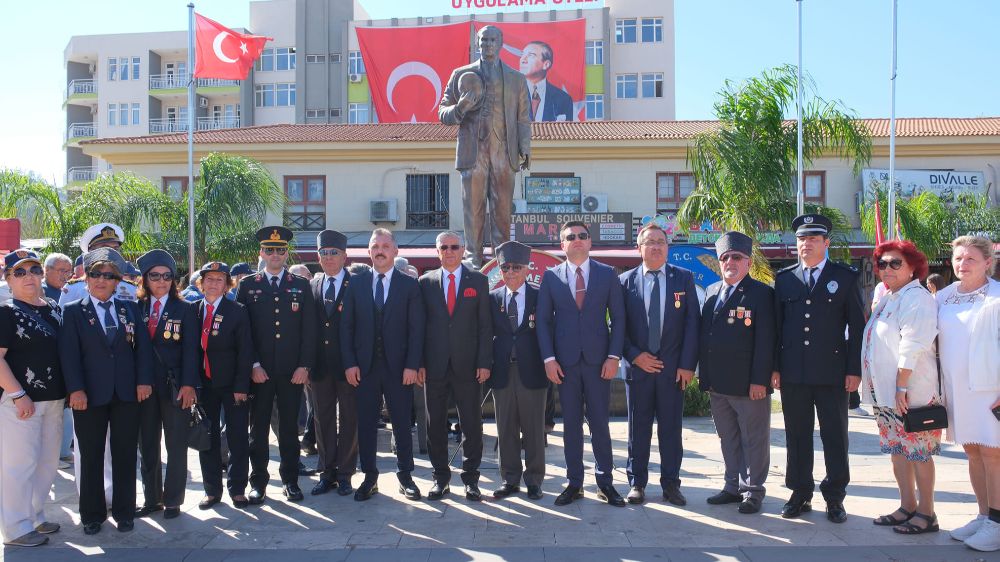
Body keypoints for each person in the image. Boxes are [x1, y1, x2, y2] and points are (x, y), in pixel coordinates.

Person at [771, 213, 865, 523]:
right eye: (801, 239)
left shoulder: (846, 277)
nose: (806, 244)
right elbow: (777, 328)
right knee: (797, 435)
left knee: (834, 435)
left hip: (832, 372)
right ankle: (800, 493)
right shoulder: (784, 279)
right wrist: (775, 368)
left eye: (813, 239)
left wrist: (854, 370)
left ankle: (835, 497)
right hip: (794, 373)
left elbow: (856, 328)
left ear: (826, 243)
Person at [59, 247, 153, 535]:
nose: (101, 280)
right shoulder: (73, 311)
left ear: (117, 281)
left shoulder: (130, 308)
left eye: (108, 275)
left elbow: (143, 351)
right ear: (86, 279)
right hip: (88, 396)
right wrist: (75, 390)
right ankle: (92, 514)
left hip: (126, 394)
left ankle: (125, 512)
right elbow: (69, 355)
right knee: (90, 457)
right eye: (96, 274)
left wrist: (143, 381)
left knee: (125, 455)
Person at [536, 221, 626, 506]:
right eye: (570, 237)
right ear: (561, 244)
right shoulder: (551, 277)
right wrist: (549, 359)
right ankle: (574, 482)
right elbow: (543, 321)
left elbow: (619, 319)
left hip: (600, 362)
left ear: (590, 242)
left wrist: (614, 356)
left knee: (600, 423)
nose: (577, 240)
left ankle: (605, 483)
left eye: (582, 236)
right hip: (565, 364)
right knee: (571, 425)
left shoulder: (607, 274)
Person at [860, 240, 941, 534]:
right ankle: (907, 506)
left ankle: (927, 513)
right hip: (887, 394)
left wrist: (901, 387)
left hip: (910, 394)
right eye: (882, 263)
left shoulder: (916, 298)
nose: (887, 268)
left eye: (896, 263)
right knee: (898, 450)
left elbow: (913, 344)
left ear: (912, 268)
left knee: (918, 452)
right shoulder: (889, 297)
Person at [341, 228, 424, 501]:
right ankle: (369, 477)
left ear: (396, 251)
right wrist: (350, 363)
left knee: (401, 423)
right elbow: (347, 327)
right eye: (375, 245)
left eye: (386, 245)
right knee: (366, 424)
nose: (380, 250)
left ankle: (405, 476)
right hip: (364, 368)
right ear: (368, 252)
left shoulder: (409, 285)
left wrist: (413, 365)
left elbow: (416, 329)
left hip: (399, 368)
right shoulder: (356, 283)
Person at [236, 226, 317, 504]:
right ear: (261, 252)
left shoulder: (300, 284)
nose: (275, 255)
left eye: (280, 250)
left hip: (290, 372)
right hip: (259, 373)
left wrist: (304, 366)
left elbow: (310, 330)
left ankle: (291, 481)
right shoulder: (248, 285)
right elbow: (242, 332)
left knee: (288, 431)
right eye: (269, 250)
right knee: (257, 431)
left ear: (286, 253)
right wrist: (253, 365)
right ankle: (258, 482)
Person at [619, 224, 699, 506]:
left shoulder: (684, 279)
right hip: (638, 370)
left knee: (671, 430)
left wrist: (688, 365)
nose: (655, 247)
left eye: (661, 242)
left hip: (672, 371)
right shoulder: (625, 282)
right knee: (636, 429)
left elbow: (692, 325)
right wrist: (634, 355)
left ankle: (671, 484)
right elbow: (617, 327)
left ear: (668, 247)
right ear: (639, 248)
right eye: (649, 242)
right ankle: (637, 483)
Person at [439, 25, 531, 267]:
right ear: (477, 43)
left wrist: (526, 147)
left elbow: (523, 117)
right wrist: (460, 108)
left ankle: (503, 260)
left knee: (502, 211)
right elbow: (443, 113)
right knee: (474, 208)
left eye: (492, 40)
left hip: (504, 151)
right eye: (483, 40)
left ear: (500, 43)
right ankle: (474, 259)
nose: (488, 44)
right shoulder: (460, 74)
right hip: (473, 151)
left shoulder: (517, 79)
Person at [697, 232, 775, 515]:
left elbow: (765, 341)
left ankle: (753, 490)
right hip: (717, 383)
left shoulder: (761, 293)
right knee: (727, 437)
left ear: (748, 262)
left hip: (747, 384)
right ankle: (732, 486)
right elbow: (706, 336)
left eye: (736, 257)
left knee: (753, 439)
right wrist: (703, 376)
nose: (730, 261)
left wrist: (760, 380)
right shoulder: (711, 291)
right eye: (725, 257)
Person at [936, 236, 1000, 551]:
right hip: (958, 390)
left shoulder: (998, 297)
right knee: (972, 451)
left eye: (971, 259)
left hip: (990, 390)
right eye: (958, 258)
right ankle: (984, 515)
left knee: (993, 454)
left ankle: (998, 524)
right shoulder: (944, 297)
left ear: (989, 262)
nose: (962, 264)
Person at [418, 232, 493, 501]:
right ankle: (440, 479)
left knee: (471, 424)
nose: (449, 251)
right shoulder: (425, 282)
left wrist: (485, 362)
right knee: (434, 424)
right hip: (434, 366)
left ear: (463, 250)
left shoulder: (479, 281)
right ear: (437, 251)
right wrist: (419, 363)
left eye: (454, 247)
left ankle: (471, 479)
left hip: (469, 366)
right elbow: (419, 328)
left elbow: (485, 327)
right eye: (443, 247)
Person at [0, 250, 66, 547]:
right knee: (19, 464)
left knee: (47, 462)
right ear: (8, 279)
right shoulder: (5, 311)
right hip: (21, 401)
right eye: (20, 272)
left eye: (34, 270)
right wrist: (17, 394)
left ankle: (35, 515)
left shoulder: (52, 306)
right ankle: (15, 527)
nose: (29, 277)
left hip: (54, 399)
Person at [134, 250, 200, 520]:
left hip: (175, 387)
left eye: (167, 276)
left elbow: (192, 351)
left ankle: (173, 500)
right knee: (148, 445)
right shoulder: (134, 308)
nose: (161, 281)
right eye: (155, 276)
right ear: (145, 279)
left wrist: (189, 385)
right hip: (143, 389)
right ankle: (152, 499)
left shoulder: (185, 309)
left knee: (176, 445)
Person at [488, 241, 547, 501]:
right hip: (502, 371)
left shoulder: (540, 296)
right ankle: (509, 478)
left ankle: (534, 480)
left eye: (516, 267)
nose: (510, 272)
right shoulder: (492, 298)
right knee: (505, 428)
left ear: (526, 269)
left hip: (532, 371)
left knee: (534, 429)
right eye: (505, 267)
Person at [195, 261, 254, 509]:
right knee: (206, 438)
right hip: (204, 384)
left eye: (219, 280)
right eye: (209, 279)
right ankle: (211, 490)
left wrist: (242, 385)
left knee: (237, 436)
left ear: (227, 285)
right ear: (201, 283)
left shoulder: (237, 310)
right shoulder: (192, 310)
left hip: (232, 385)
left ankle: (238, 489)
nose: (213, 284)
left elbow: (245, 351)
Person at [308, 230, 359, 497]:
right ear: (318, 257)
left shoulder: (357, 284)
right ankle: (326, 472)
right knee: (323, 419)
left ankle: (346, 473)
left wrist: (356, 362)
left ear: (344, 256)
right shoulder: (313, 285)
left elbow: (362, 328)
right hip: (319, 366)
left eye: (334, 253)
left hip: (348, 366)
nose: (328, 258)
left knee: (350, 419)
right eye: (324, 253)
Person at [60, 223, 137, 306]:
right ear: (91, 252)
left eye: (115, 249)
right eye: (105, 248)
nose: (111, 253)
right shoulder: (73, 289)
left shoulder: (131, 289)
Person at [519, 40, 574, 122]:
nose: (523, 59)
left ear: (546, 64)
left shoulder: (563, 99)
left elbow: (566, 133)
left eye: (531, 55)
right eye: (522, 55)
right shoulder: (509, 94)